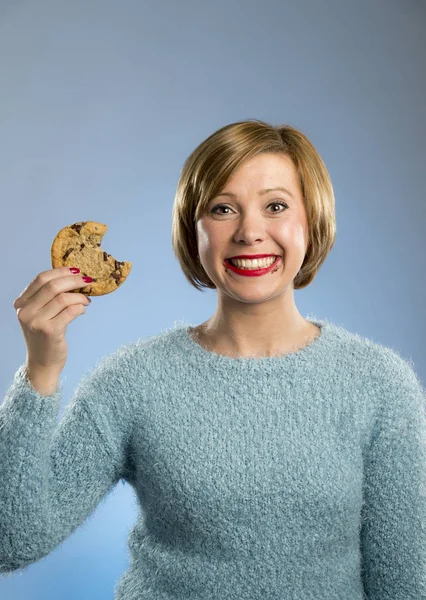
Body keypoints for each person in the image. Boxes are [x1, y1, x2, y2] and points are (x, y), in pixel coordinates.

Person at [1, 119, 425, 600]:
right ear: (193, 230)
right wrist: (40, 370)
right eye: (223, 209)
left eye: (276, 206)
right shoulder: (131, 381)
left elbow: (403, 583)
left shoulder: (380, 385)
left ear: (313, 220)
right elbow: (11, 539)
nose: (249, 232)